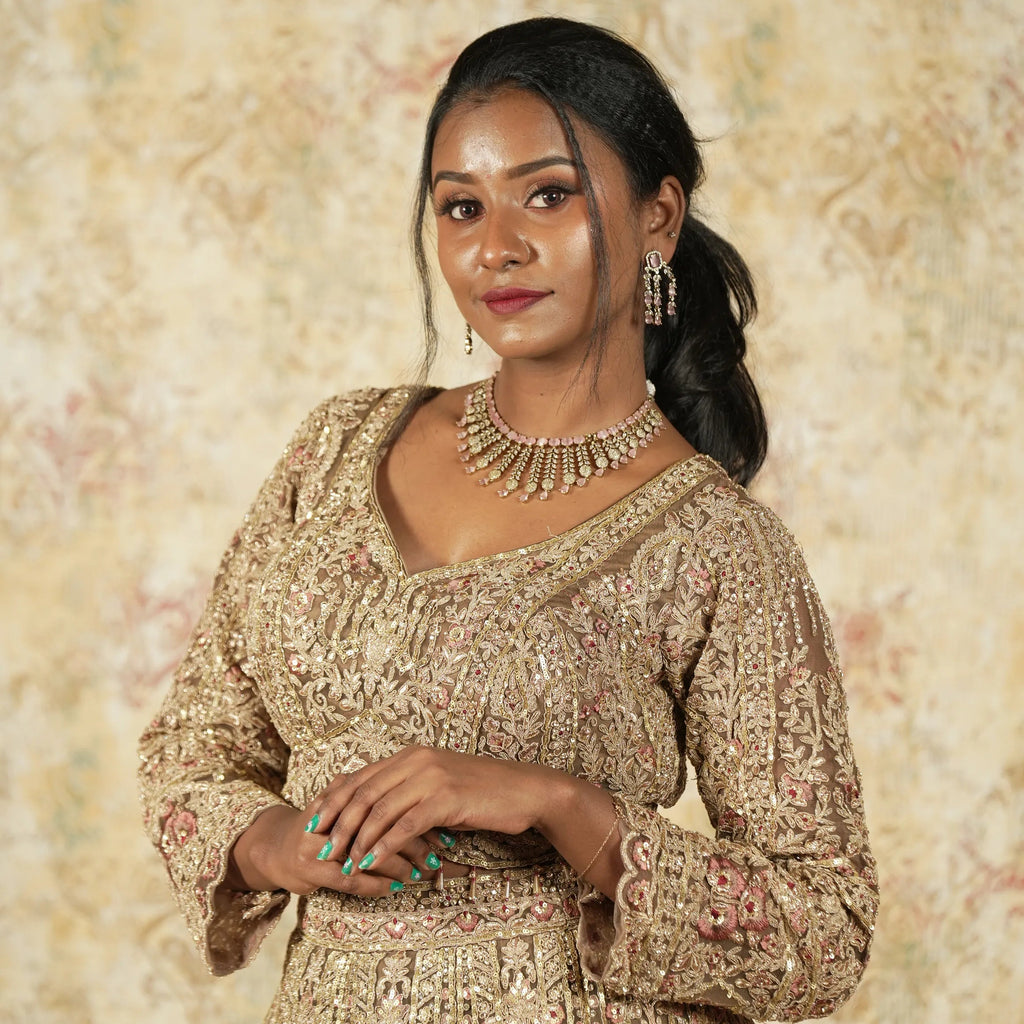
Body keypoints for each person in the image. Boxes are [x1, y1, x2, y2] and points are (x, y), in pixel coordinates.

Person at [138, 16, 877, 1024]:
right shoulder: (337, 449)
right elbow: (196, 748)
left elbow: (822, 931)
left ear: (657, 217)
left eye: (549, 194)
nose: (497, 247)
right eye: (459, 207)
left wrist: (556, 803)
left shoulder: (718, 547)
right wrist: (276, 842)